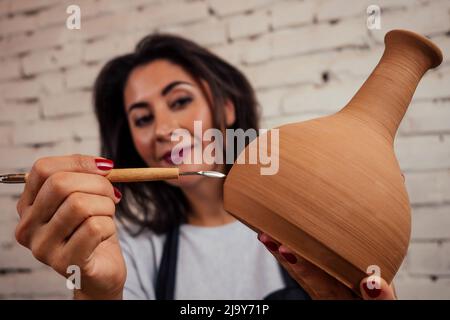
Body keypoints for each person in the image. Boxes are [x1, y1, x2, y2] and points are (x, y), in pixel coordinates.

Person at [14, 34, 396, 300]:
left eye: (179, 101)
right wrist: (96, 293)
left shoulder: (307, 225)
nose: (164, 130)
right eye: (142, 119)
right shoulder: (128, 254)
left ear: (227, 109)